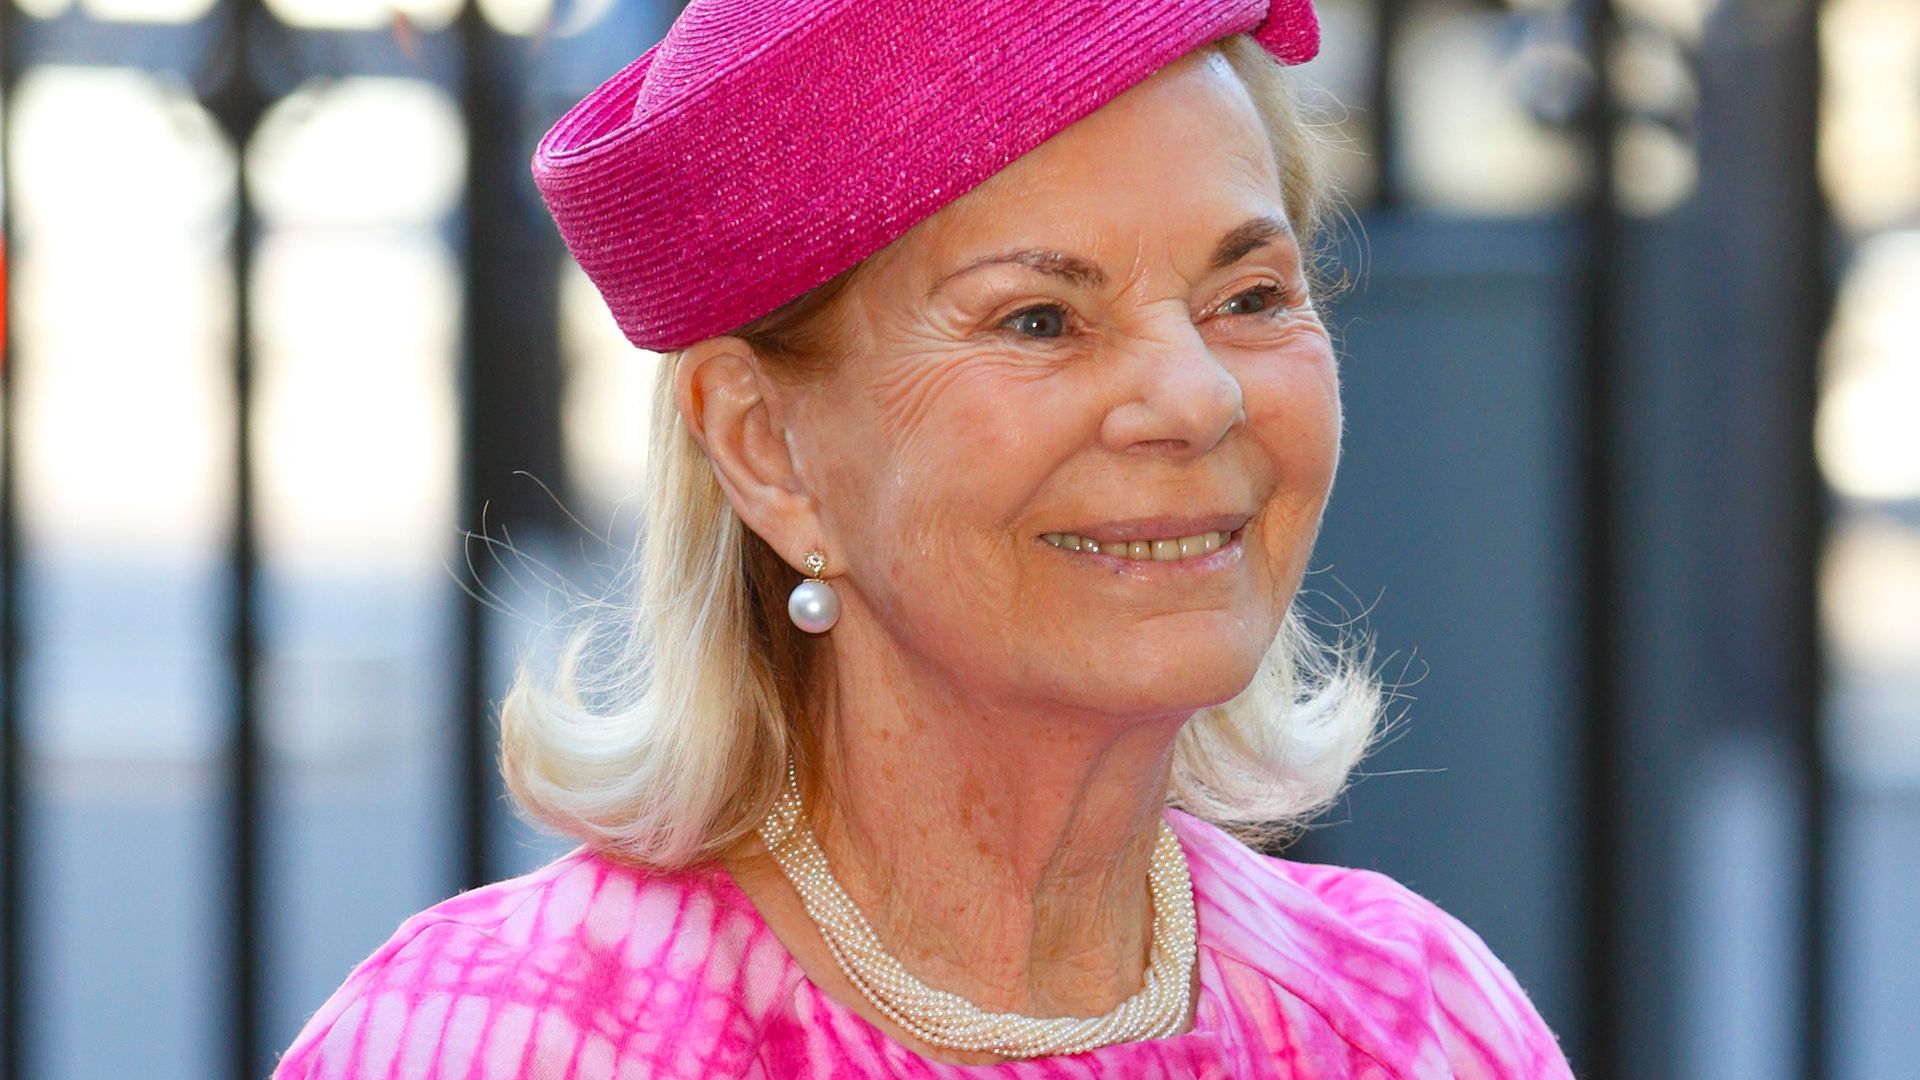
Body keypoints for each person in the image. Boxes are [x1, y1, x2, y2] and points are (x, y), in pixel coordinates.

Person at [274, 0, 1578, 1076]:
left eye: (1250, 296)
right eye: (1038, 321)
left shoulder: (1411, 1024)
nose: (1199, 396)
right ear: (765, 449)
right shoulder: (512, 1040)